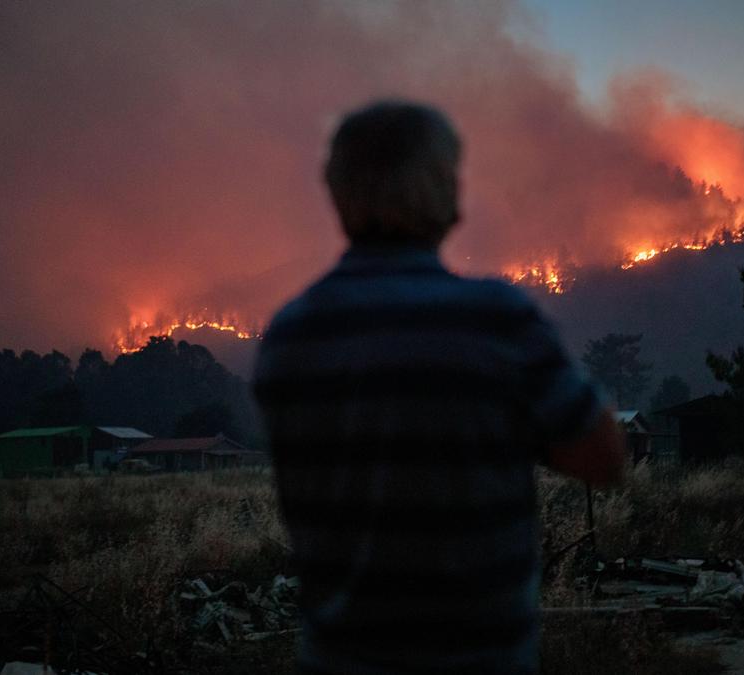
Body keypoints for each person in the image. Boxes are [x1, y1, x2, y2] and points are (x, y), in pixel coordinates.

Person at [253, 100, 625, 674]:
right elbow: (604, 458)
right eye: (453, 173)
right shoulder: (497, 320)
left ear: (338, 192)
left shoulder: (289, 336)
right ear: (440, 191)